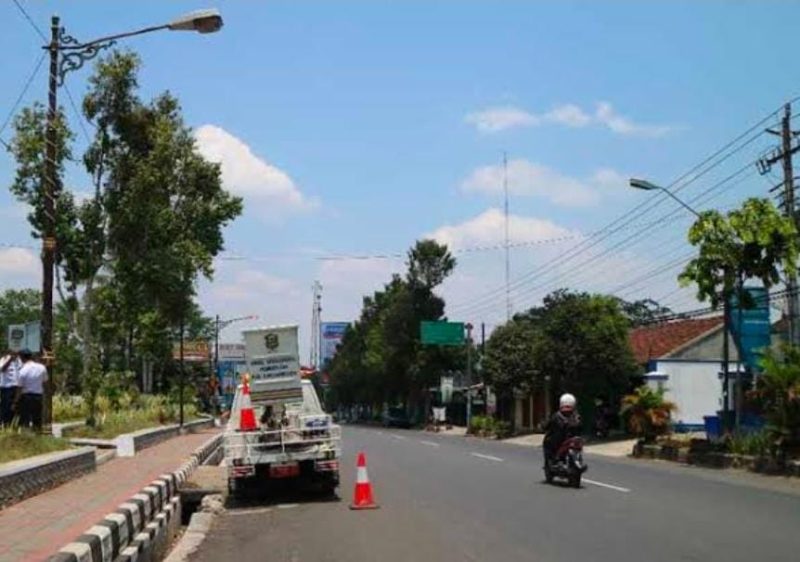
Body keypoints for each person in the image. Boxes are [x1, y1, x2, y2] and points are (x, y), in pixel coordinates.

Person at [543, 393, 582, 464]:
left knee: (548, 442)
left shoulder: (557, 415)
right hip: (573, 438)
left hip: (562, 440)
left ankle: (553, 460)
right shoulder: (576, 415)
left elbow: (548, 425)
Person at [15, 349, 48, 431]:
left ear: (22, 358)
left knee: (25, 419)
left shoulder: (22, 371)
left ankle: (27, 438)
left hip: (26, 397)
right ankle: (38, 435)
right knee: (37, 418)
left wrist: (15, 401)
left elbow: (19, 388)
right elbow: (45, 383)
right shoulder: (42, 368)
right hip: (38, 396)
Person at [0, 351, 21, 426]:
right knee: (6, 407)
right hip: (6, 387)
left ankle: (11, 425)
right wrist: (10, 360)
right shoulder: (4, 359)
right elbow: (2, 369)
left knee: (14, 407)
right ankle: (5, 423)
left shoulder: (19, 360)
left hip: (16, 387)